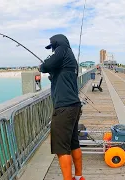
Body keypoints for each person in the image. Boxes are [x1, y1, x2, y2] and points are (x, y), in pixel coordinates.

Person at [39, 34, 85, 180]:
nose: (52, 50)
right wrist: (54, 75)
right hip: (74, 106)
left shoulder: (62, 48)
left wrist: (42, 66)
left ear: (56, 44)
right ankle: (78, 177)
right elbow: (61, 74)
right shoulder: (71, 58)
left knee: (61, 149)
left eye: (52, 47)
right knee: (73, 144)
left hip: (64, 108)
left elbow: (45, 66)